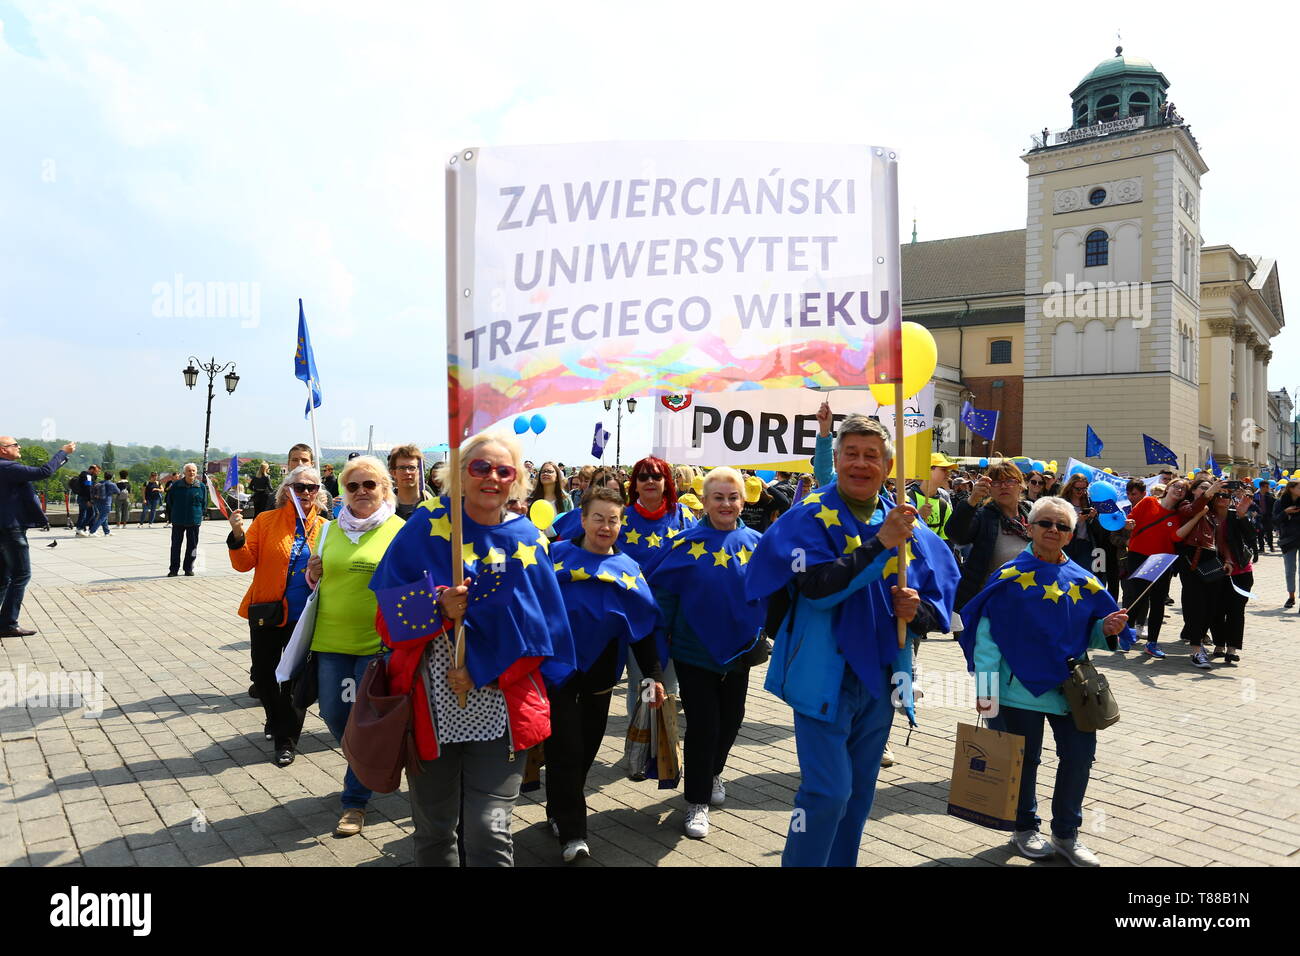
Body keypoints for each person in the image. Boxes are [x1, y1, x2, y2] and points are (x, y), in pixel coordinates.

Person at [745, 414, 958, 867]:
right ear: (836, 458)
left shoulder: (906, 523)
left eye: (872, 456)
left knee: (858, 797)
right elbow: (817, 587)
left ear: (888, 464)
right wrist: (879, 544)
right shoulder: (807, 516)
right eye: (852, 454)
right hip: (822, 678)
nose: (861, 464)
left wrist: (913, 610)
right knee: (826, 794)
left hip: (880, 679)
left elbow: (935, 605)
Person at [368, 431, 576, 867]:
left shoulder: (529, 540)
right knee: (433, 833)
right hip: (429, 711)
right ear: (458, 475)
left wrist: (482, 670)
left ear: (517, 480)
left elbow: (544, 638)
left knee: (489, 831)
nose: (492, 477)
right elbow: (387, 624)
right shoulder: (422, 527)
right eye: (480, 467)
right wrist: (438, 606)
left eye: (505, 470)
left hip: (503, 711)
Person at [959, 496, 1134, 867]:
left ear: (1071, 535)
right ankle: (1024, 829)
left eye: (1062, 526)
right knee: (1024, 761)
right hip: (1015, 689)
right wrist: (986, 694)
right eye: (1046, 524)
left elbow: (1092, 634)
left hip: (1072, 690)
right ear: (1030, 528)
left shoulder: (1084, 580)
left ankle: (1066, 835)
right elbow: (987, 639)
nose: (1053, 531)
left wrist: (1107, 627)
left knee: (1079, 757)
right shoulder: (1007, 577)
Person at [546, 487, 664, 862]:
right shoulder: (554, 556)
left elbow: (643, 628)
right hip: (556, 675)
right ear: (582, 520)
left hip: (600, 678)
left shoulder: (628, 570)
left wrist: (654, 675)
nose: (605, 526)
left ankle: (558, 808)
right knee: (566, 750)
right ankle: (574, 835)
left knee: (586, 752)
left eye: (613, 520)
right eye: (598, 518)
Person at [649, 466, 764, 840]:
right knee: (704, 726)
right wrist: (657, 651)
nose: (726, 503)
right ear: (705, 500)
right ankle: (696, 800)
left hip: (741, 652)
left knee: (732, 721)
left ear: (743, 500)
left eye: (732, 497)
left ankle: (713, 771)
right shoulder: (684, 543)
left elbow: (776, 594)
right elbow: (664, 596)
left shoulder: (758, 544)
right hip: (692, 651)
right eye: (718, 497)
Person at [303, 455, 403, 836]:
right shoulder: (328, 530)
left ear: (384, 488)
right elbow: (318, 580)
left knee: (363, 722)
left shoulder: (399, 530)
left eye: (369, 485)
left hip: (376, 645)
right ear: (343, 490)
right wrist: (312, 574)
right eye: (353, 486)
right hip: (330, 641)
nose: (361, 492)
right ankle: (369, 762)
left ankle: (354, 802)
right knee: (333, 714)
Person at [227, 465, 327, 765]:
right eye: (299, 487)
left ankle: (286, 740)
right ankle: (275, 717)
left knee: (296, 681)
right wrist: (237, 535)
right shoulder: (266, 520)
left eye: (312, 487)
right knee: (263, 675)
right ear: (286, 491)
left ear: (319, 493)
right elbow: (244, 564)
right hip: (267, 613)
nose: (306, 492)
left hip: (305, 617)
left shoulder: (325, 527)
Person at [620, 455, 696, 716]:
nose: (650, 481)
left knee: (668, 685)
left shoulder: (684, 517)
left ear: (667, 482)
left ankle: (662, 749)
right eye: (643, 476)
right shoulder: (621, 517)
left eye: (656, 476)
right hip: (634, 616)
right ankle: (639, 749)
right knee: (639, 683)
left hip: (673, 616)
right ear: (635, 484)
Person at [0, 437, 74, 637]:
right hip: (11, 528)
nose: (19, 447)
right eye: (15, 445)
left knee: (4, 577)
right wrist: (63, 452)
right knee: (21, 575)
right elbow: (44, 472)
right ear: (3, 450)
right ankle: (7, 623)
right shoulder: (7, 467)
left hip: (4, 527)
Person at [1121, 476, 1188, 657]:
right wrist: (1128, 524)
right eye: (1176, 486)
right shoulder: (1148, 502)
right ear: (1168, 488)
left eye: (1183, 489)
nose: (1179, 490)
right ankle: (1126, 633)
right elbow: (1130, 521)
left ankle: (1152, 643)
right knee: (1138, 596)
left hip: (1162, 560)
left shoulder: (1178, 516)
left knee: (1158, 601)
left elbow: (1176, 538)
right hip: (1138, 555)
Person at [1175, 477, 1224, 667]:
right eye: (1203, 487)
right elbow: (1191, 511)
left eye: (1210, 487)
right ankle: (1196, 650)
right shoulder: (1186, 505)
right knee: (1196, 605)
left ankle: (1196, 636)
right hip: (1192, 558)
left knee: (1212, 606)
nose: (1209, 490)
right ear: (1194, 490)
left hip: (1212, 559)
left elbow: (1222, 537)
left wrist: (1226, 560)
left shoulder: (1213, 511)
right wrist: (1209, 492)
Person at [1206, 488, 1255, 666]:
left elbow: (1251, 537)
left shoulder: (1236, 515)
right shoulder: (1206, 515)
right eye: (1218, 494)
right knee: (1216, 609)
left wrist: (1242, 516)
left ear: (1230, 499)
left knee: (1236, 611)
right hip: (1215, 570)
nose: (1222, 498)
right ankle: (1219, 643)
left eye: (1226, 495)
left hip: (1240, 571)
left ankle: (1232, 648)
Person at [163, 464, 205, 574]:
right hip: (178, 520)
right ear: (184, 473)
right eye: (189, 471)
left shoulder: (201, 486)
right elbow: (170, 501)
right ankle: (173, 569)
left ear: (196, 472)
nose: (191, 473)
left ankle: (188, 568)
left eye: (193, 471)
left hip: (194, 520)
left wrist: (199, 514)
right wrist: (175, 512)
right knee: (176, 546)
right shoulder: (176, 486)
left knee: (192, 546)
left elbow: (203, 503)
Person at [527, 460, 574, 535]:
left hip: (559, 542)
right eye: (543, 471)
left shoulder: (565, 499)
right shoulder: (531, 498)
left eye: (549, 471)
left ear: (557, 477)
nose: (545, 473)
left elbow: (570, 523)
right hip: (537, 541)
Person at [388, 444, 434, 520]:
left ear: (420, 472)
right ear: (393, 473)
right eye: (402, 468)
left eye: (412, 467)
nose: (407, 472)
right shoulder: (384, 509)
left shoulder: (433, 507)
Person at [1275, 479, 1300, 610]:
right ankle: (1291, 596)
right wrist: (1286, 512)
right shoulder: (1280, 503)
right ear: (1291, 488)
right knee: (1290, 570)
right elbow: (1275, 521)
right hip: (1288, 540)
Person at [72, 464, 97, 535]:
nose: (97, 473)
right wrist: (89, 500)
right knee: (91, 514)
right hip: (85, 498)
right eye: (97, 471)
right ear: (92, 470)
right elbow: (88, 488)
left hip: (82, 497)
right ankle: (80, 528)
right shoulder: (88, 476)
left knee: (84, 514)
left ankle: (84, 529)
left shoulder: (86, 475)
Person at [1256, 482, 1277, 553]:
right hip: (1258, 517)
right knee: (1260, 532)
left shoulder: (1270, 495)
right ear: (1261, 487)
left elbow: (1276, 503)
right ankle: (1261, 548)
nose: (1268, 488)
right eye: (1266, 487)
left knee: (1269, 532)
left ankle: (1271, 546)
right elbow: (1252, 504)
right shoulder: (1256, 495)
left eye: (1268, 487)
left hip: (1268, 517)